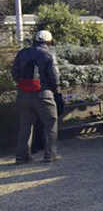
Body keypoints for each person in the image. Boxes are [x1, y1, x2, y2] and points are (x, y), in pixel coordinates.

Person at [11, 30, 61, 164]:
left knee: (25, 125)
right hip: (43, 93)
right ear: (49, 41)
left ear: (35, 40)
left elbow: (14, 72)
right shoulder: (49, 55)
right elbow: (54, 77)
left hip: (23, 94)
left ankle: (22, 156)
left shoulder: (22, 53)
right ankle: (50, 154)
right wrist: (55, 90)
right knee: (50, 123)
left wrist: (22, 84)